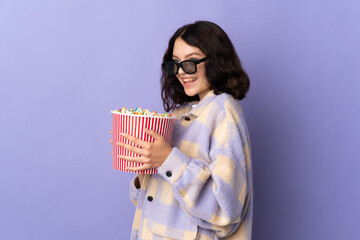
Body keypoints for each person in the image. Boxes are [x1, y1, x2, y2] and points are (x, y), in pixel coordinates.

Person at [116, 21, 252, 239]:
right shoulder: (178, 116)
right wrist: (145, 164)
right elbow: (147, 201)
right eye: (175, 63)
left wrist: (167, 159)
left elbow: (227, 211)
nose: (181, 72)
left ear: (216, 59)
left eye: (191, 61)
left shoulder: (224, 110)